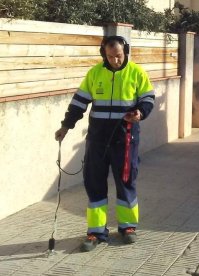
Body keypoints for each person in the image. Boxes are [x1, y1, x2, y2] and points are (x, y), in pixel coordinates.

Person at [55, 35, 155, 252]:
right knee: (94, 184)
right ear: (104, 54)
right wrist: (66, 126)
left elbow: (148, 98)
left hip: (125, 139)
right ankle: (96, 231)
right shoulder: (94, 73)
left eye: (118, 56)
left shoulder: (137, 73)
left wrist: (140, 113)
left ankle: (127, 227)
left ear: (125, 51)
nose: (115, 60)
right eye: (110, 56)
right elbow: (78, 103)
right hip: (97, 140)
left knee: (126, 181)